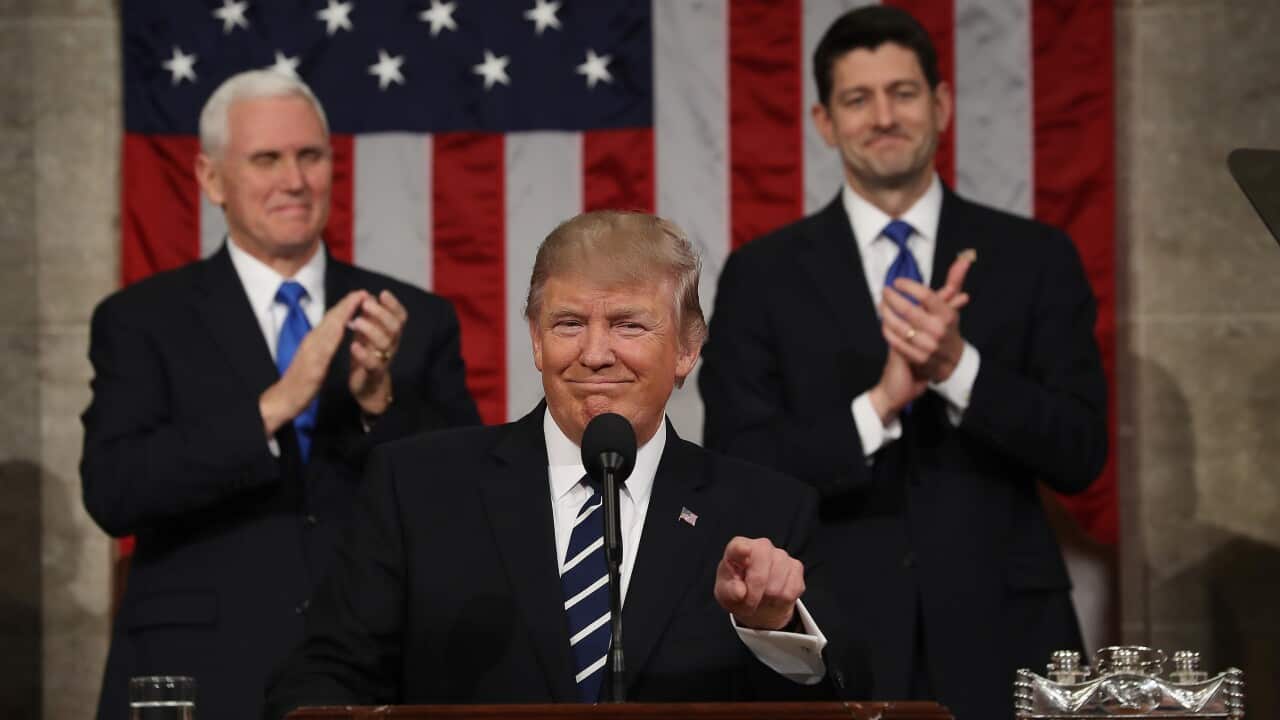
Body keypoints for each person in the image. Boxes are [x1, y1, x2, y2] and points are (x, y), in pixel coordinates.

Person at [263, 211, 869, 719]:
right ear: (534, 340)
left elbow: (846, 698)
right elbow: (320, 683)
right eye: (569, 324)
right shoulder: (418, 489)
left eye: (629, 324)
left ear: (687, 349)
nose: (596, 353)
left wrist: (773, 628)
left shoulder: (764, 510)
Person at [698, 6, 1108, 720]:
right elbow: (739, 463)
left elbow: (1081, 452)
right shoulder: (762, 276)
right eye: (858, 99)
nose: (883, 116)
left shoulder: (1036, 257)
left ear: (942, 105)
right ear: (824, 121)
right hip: (836, 635)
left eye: (904, 92)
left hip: (1008, 637)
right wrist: (879, 405)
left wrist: (958, 368)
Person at [81, 70, 481, 720]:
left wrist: (381, 402)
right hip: (200, 670)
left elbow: (463, 502)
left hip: (370, 671)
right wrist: (275, 405)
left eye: (310, 156)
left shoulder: (413, 317)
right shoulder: (140, 320)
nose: (294, 180)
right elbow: (114, 491)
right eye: (266, 159)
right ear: (211, 179)